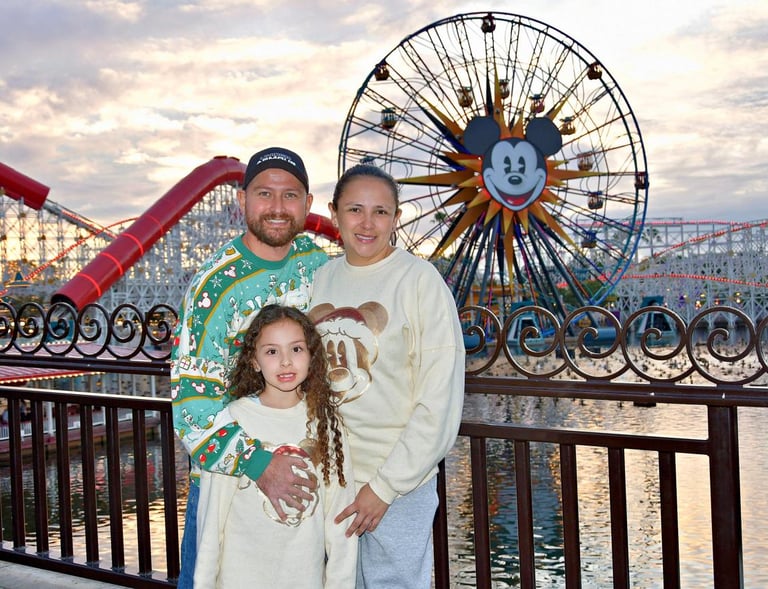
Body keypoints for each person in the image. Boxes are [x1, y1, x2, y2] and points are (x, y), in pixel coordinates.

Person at [171, 147, 329, 588]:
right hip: (231, 482)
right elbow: (192, 409)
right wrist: (260, 464)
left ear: (308, 205)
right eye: (264, 194)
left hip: (303, 475)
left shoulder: (318, 266)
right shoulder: (214, 288)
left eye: (290, 196)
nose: (277, 208)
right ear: (242, 201)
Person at [308, 164, 465, 588]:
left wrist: (384, 487)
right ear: (334, 212)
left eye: (381, 212)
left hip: (397, 483)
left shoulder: (419, 281)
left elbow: (439, 399)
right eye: (355, 209)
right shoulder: (322, 279)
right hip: (332, 477)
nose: (367, 223)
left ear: (397, 219)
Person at [194, 304, 357, 588]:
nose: (285, 362)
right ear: (254, 361)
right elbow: (211, 522)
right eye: (272, 351)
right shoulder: (233, 422)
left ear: (311, 355)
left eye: (296, 349)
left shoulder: (327, 423)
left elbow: (340, 521)